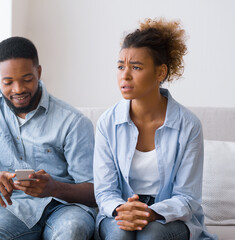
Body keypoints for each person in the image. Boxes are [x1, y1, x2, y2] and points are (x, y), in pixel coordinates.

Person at [0, 36, 97, 240]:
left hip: (66, 208)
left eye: (27, 79)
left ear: (38, 72)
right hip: (15, 207)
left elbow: (93, 192)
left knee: (71, 231)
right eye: (8, 82)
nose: (18, 89)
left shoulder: (73, 121)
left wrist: (53, 188)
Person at [93, 18, 217, 240]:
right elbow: (105, 191)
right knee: (120, 235)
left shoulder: (188, 125)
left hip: (171, 216)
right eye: (121, 66)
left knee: (151, 235)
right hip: (121, 210)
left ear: (160, 73)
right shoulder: (107, 123)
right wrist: (123, 210)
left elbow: (187, 197)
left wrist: (151, 212)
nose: (125, 75)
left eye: (136, 67)